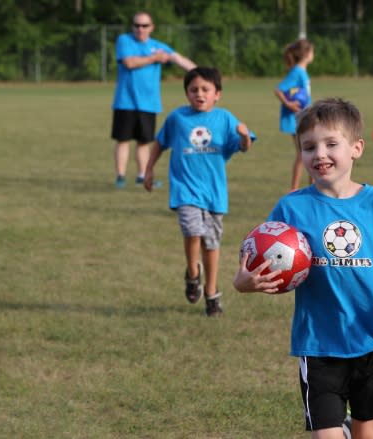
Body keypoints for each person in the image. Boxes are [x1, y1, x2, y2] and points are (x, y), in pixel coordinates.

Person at [234, 98, 373, 438]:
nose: (320, 155)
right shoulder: (291, 207)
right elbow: (256, 260)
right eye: (309, 147)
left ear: (357, 148)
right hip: (318, 345)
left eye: (331, 144)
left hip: (371, 342)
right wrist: (244, 283)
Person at [143, 67, 255, 316]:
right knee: (192, 230)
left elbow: (243, 147)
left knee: (211, 243)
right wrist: (149, 169)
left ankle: (212, 293)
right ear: (186, 93)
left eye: (206, 89)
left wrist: (245, 137)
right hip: (185, 190)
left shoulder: (225, 119)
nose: (199, 94)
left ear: (217, 94)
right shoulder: (177, 118)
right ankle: (193, 274)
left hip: (214, 193)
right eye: (193, 90)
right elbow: (160, 142)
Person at [111, 11, 196, 189]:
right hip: (125, 101)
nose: (140, 29)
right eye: (137, 25)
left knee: (144, 141)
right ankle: (120, 176)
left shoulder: (157, 45)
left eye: (144, 26)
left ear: (151, 27)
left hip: (148, 103)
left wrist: (201, 73)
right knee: (123, 140)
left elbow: (179, 59)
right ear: (132, 27)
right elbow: (129, 63)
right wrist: (154, 58)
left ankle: (142, 176)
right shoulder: (125, 41)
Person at [274, 39, 314, 192]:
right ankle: (294, 189)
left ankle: (314, 186)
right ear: (307, 54)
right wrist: (289, 104)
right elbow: (278, 89)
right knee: (303, 154)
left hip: (305, 117)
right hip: (296, 119)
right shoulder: (297, 71)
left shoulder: (301, 71)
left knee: (310, 151)